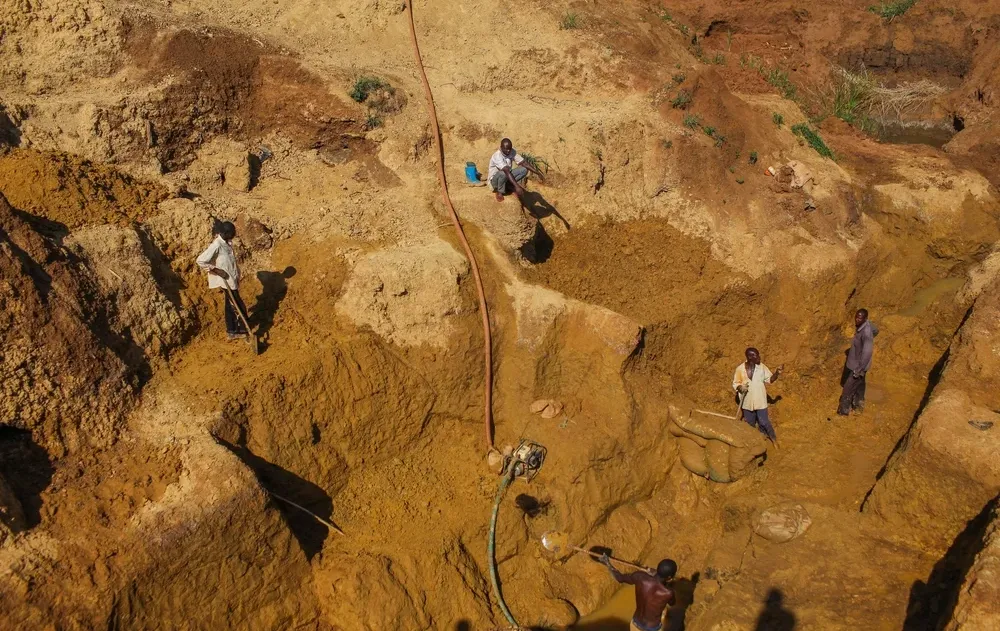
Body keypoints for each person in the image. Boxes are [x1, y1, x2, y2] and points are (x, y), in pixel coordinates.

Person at [197, 221, 249, 340]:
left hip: (232, 279)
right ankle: (241, 329)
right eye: (232, 233)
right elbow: (200, 260)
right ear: (225, 233)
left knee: (230, 305)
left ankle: (232, 331)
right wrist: (216, 270)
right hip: (226, 281)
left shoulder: (227, 242)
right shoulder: (216, 245)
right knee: (237, 305)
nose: (234, 234)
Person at [601, 554, 677, 631]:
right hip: (652, 628)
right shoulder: (668, 593)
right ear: (669, 577)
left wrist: (608, 563)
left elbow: (620, 578)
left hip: (636, 624)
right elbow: (672, 603)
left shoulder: (640, 577)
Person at [732, 347, 783, 444]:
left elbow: (770, 379)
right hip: (747, 402)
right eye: (756, 355)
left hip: (760, 401)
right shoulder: (740, 369)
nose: (759, 357)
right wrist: (741, 388)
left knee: (764, 422)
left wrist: (777, 373)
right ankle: (755, 442)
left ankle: (773, 439)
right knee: (750, 424)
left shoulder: (762, 367)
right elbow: (735, 383)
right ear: (750, 357)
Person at [838, 308, 874, 416]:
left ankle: (844, 411)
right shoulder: (864, 326)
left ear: (865, 319)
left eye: (860, 318)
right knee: (860, 385)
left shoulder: (866, 333)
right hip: (858, 365)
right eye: (856, 317)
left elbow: (867, 353)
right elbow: (876, 330)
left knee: (847, 389)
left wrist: (859, 370)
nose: (857, 319)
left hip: (858, 367)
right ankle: (858, 404)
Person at [488, 137, 544, 203]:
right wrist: (517, 186)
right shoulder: (497, 156)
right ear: (501, 147)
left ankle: (508, 185)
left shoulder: (511, 151)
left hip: (506, 176)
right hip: (495, 181)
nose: (508, 151)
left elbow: (524, 163)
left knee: (524, 170)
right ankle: (499, 191)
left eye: (509, 149)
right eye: (506, 149)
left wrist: (537, 173)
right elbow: (506, 171)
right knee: (503, 173)